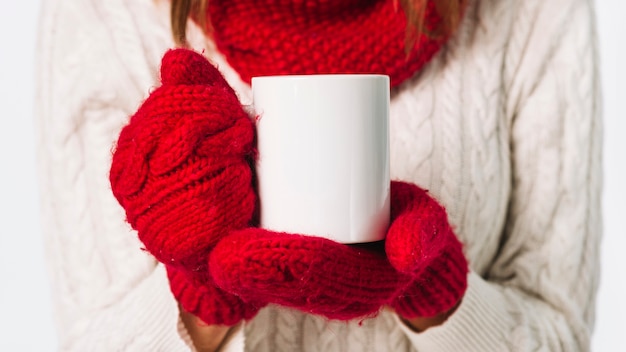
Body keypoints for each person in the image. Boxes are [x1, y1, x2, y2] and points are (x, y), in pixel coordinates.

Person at [34, 0, 602, 351]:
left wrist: (442, 299)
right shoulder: (101, 13)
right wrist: (201, 305)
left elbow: (562, 339)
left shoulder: (533, 12)